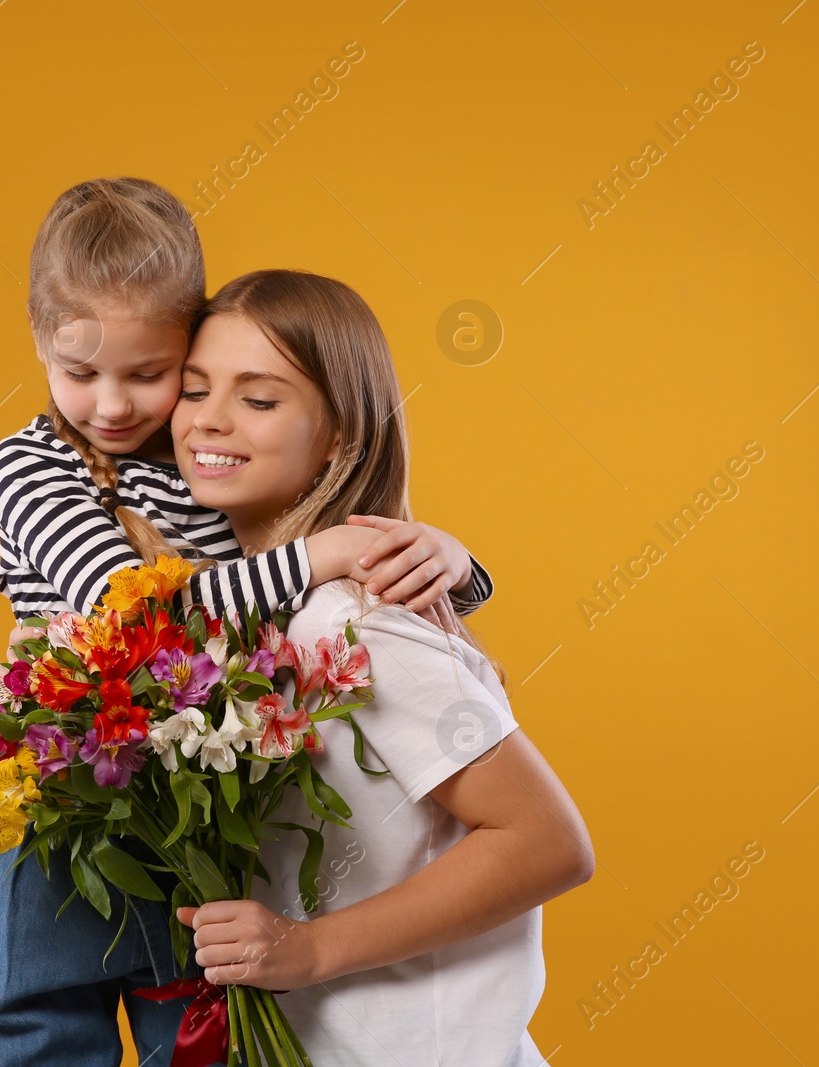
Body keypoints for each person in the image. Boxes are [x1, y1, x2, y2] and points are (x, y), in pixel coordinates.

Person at [0, 179, 502, 1067]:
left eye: (150, 373)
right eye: (80, 373)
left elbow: (330, 584)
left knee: (201, 1042)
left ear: (186, 341)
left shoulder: (205, 449)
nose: (114, 405)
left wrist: (455, 564)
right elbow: (145, 615)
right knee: (34, 1036)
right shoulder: (35, 466)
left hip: (197, 812)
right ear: (40, 340)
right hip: (63, 807)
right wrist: (324, 554)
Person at [172, 269, 595, 1066]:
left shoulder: (352, 623)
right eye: (194, 390)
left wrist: (309, 948)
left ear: (340, 436)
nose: (210, 421)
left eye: (258, 400)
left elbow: (548, 839)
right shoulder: (250, 622)